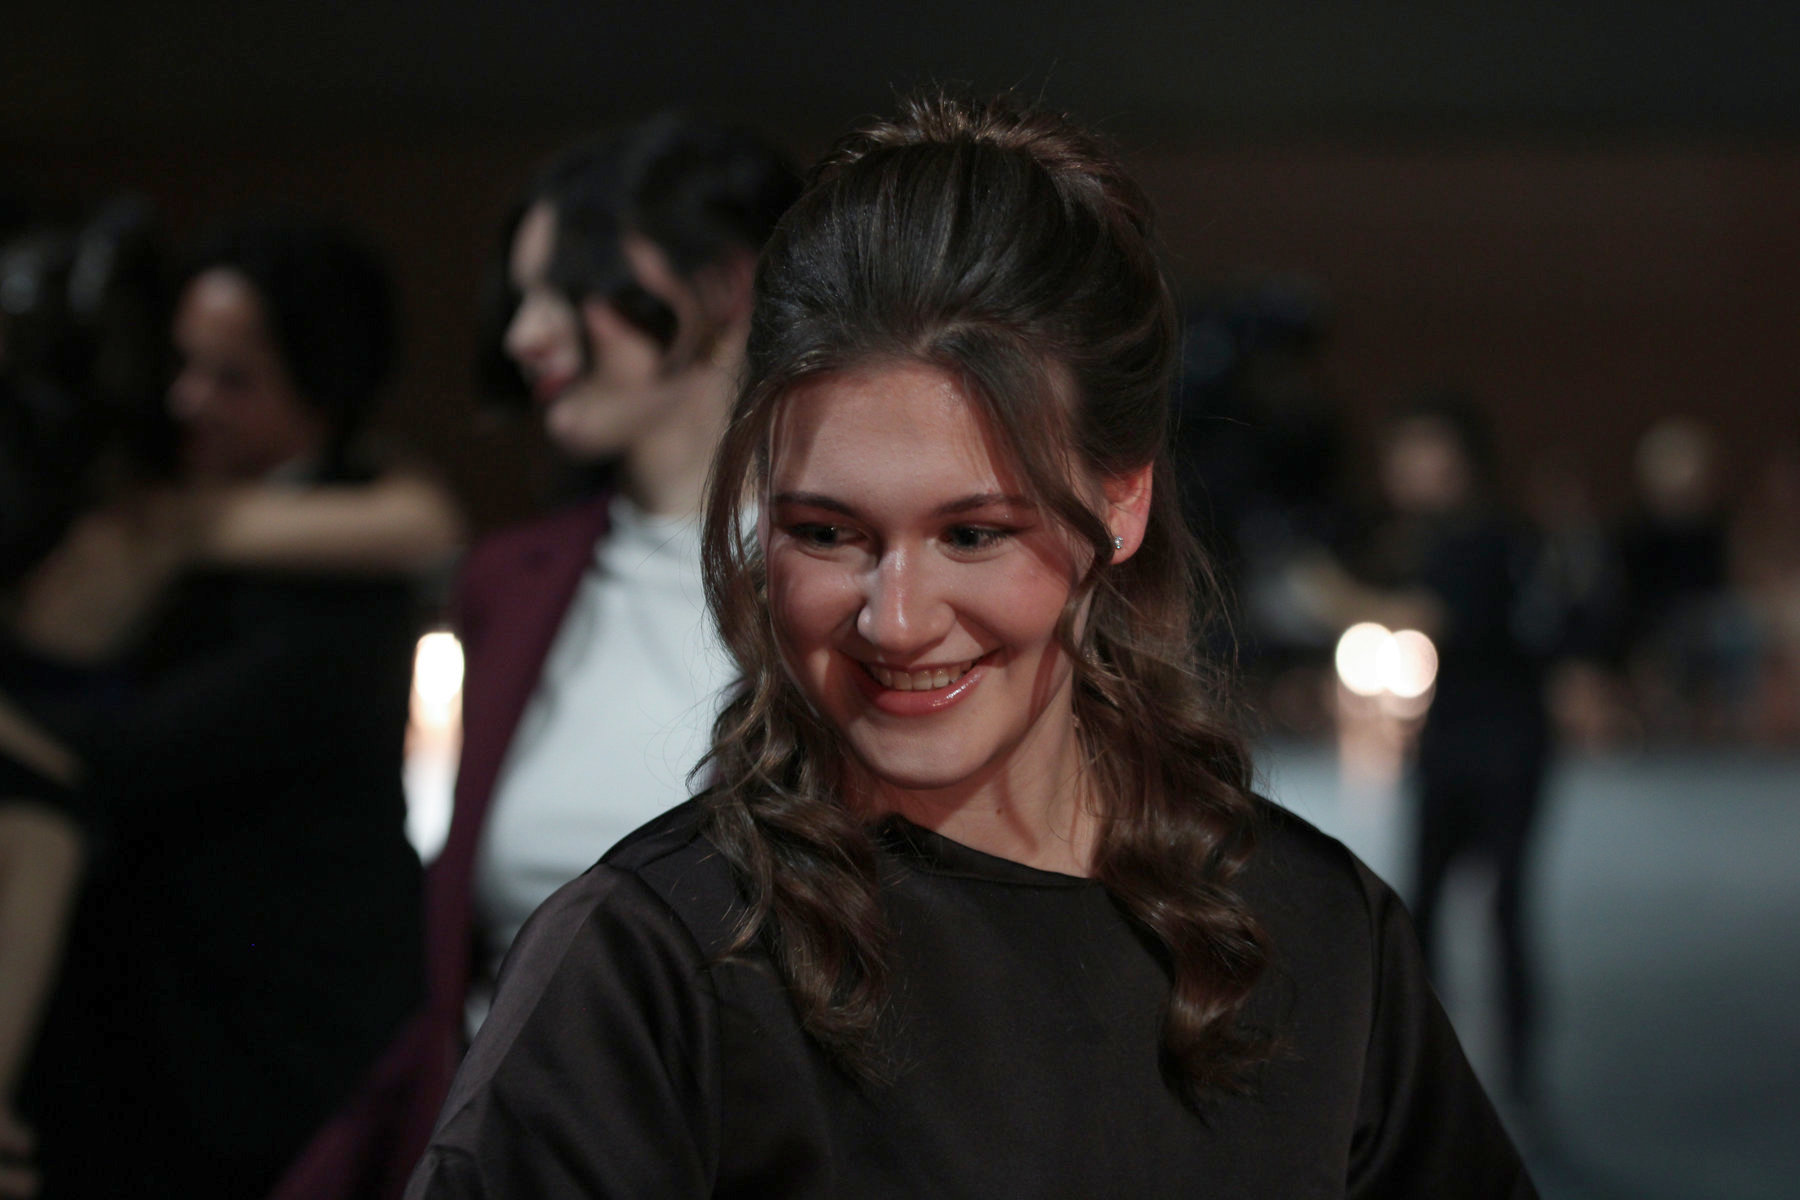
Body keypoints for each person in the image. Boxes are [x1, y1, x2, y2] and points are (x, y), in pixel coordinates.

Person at [406, 94, 1533, 1197]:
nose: (896, 620)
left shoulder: (1314, 936)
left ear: (1122, 502)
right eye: (827, 533)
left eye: (974, 533)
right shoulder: (650, 969)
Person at [14, 219, 441, 1199]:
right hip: (159, 1059)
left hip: (271, 1070)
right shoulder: (163, 497)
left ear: (323, 383)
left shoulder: (350, 565)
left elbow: (133, 750)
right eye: (183, 365)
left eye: (231, 377)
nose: (187, 399)